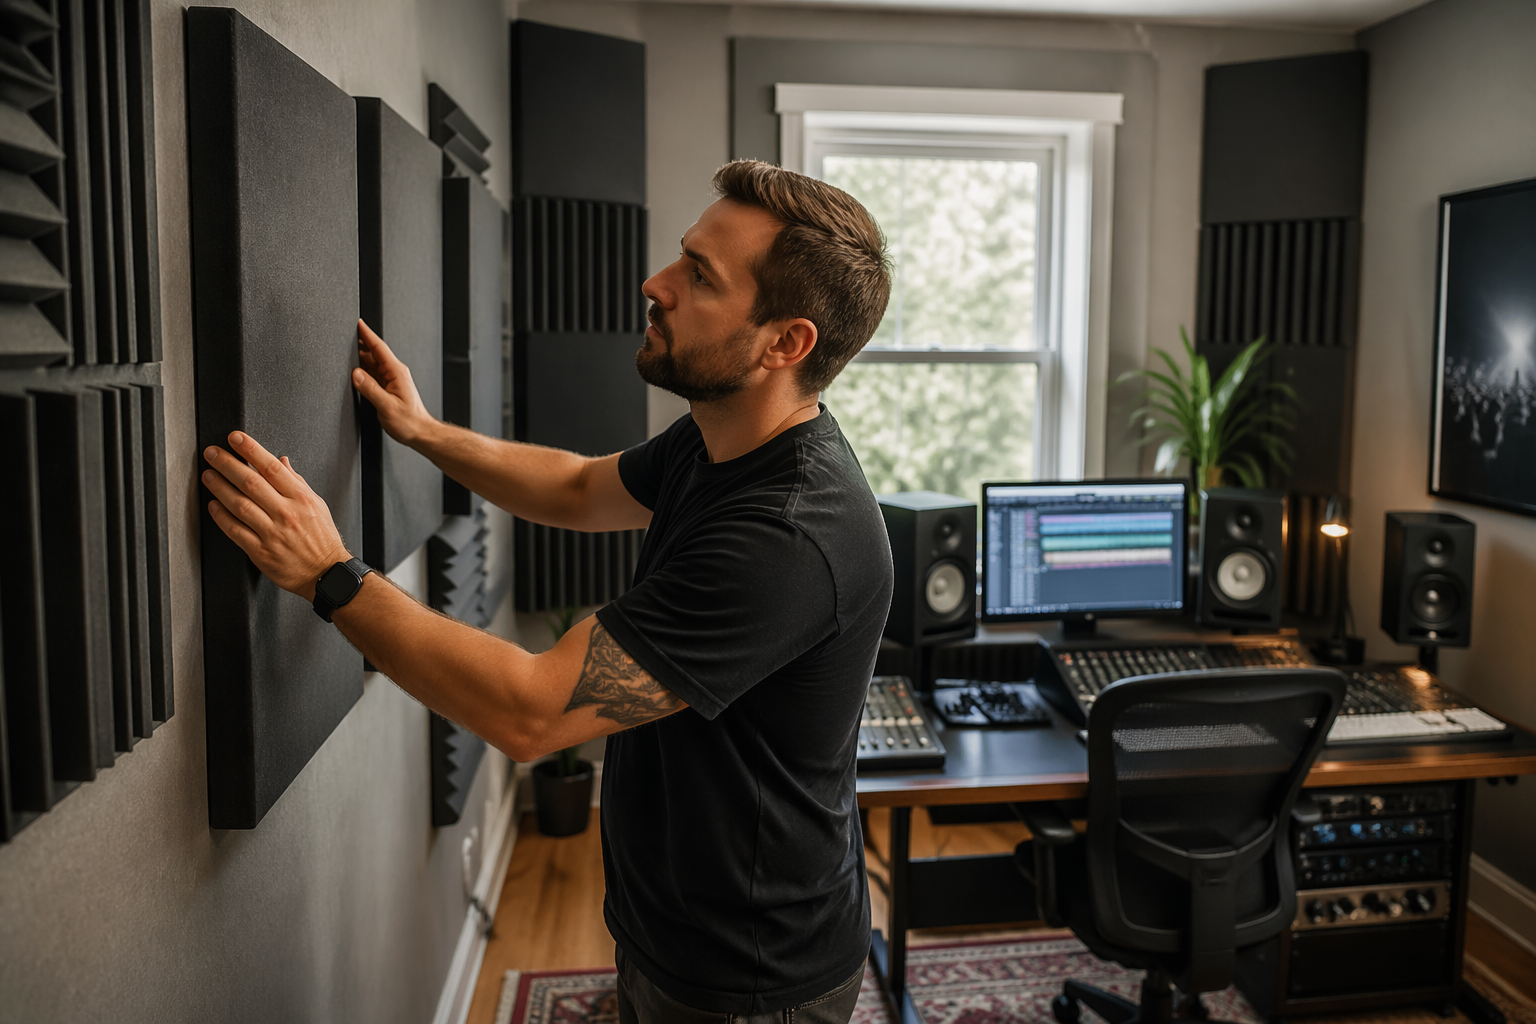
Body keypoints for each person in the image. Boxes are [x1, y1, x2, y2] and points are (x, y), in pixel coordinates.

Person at [199, 159, 894, 1022]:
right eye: (682, 257)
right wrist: (423, 432)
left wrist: (331, 575)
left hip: (750, 972)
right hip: (673, 930)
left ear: (784, 344)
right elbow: (573, 487)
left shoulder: (789, 537)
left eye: (699, 277)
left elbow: (532, 714)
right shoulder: (718, 441)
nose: (656, 283)